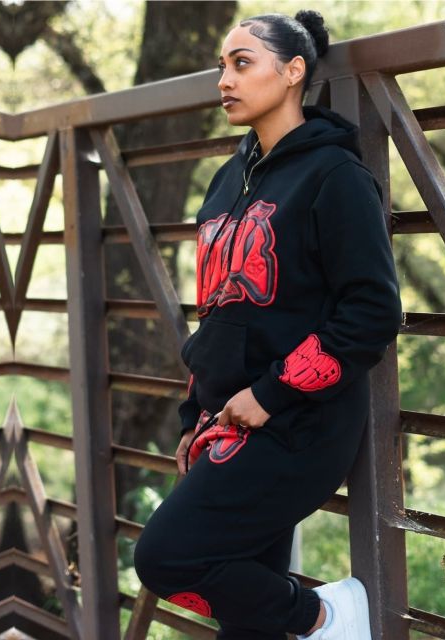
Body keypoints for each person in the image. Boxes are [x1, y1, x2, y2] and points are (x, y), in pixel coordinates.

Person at [133, 9, 402, 640]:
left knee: (165, 557)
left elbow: (371, 312)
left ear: (293, 71)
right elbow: (218, 311)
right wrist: (195, 414)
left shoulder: (336, 176)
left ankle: (324, 616)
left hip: (299, 425)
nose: (224, 80)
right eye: (221, 66)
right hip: (228, 421)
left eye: (242, 63)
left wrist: (271, 393)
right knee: (245, 617)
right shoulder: (227, 180)